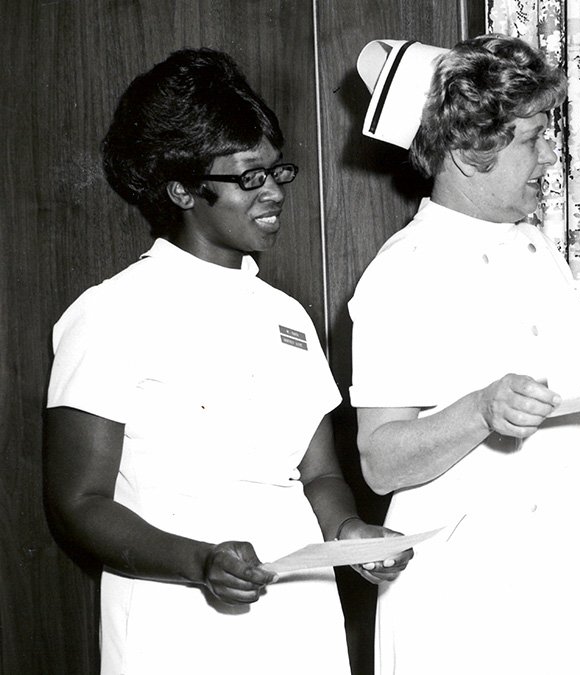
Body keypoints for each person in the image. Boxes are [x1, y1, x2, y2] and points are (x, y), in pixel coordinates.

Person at [43, 48, 410, 675]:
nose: (271, 192)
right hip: (178, 621)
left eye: (275, 172)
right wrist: (200, 562)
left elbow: (318, 474)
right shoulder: (112, 313)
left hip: (299, 615)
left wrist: (347, 531)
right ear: (183, 188)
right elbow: (77, 504)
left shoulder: (288, 317)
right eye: (247, 178)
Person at [350, 34, 580, 675]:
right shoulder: (402, 272)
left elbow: (578, 420)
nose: (548, 155)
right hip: (462, 601)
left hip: (561, 581)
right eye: (533, 136)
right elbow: (379, 460)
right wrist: (481, 411)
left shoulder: (541, 254)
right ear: (470, 149)